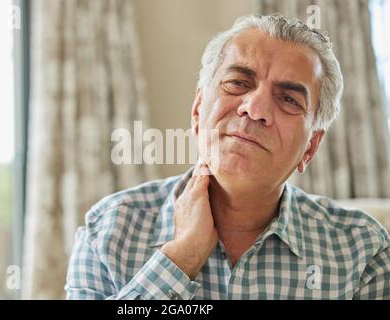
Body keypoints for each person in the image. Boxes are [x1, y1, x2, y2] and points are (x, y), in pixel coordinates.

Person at [65, 14, 390, 299]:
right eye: (237, 83)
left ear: (310, 147)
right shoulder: (108, 230)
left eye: (289, 99)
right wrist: (180, 258)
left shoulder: (362, 249)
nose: (256, 109)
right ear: (197, 111)